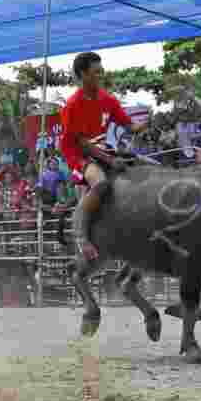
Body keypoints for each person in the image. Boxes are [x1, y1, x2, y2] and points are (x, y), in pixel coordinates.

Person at [58, 51, 148, 261]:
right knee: (99, 182)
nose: (101, 75)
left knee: (147, 166)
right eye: (95, 72)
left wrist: (143, 126)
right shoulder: (72, 105)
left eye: (101, 71)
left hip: (102, 147)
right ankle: (80, 233)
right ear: (82, 74)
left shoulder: (108, 99)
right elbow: (81, 144)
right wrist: (109, 160)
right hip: (78, 153)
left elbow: (129, 125)